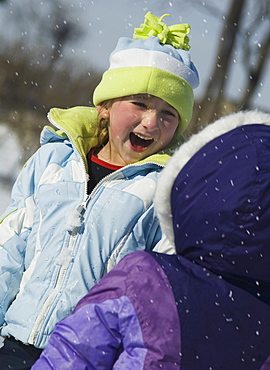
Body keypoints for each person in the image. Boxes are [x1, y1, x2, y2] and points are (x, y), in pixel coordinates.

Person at [0, 11, 199, 369]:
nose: (151, 122)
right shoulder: (53, 162)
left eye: (168, 114)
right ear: (105, 107)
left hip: (88, 356)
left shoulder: (165, 194)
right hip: (15, 343)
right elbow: (9, 251)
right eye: (139, 103)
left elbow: (158, 299)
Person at [32, 110, 270, 369]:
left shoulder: (146, 277)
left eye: (168, 113)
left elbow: (74, 354)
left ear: (191, 191)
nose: (151, 121)